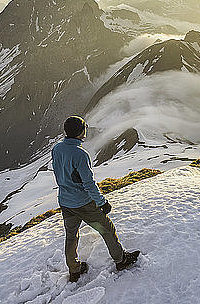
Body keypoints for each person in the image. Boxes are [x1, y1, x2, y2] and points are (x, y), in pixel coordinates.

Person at [51, 115, 140, 282]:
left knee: (71, 235)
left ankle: (74, 270)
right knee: (107, 229)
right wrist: (102, 202)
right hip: (83, 202)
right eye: (84, 127)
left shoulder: (57, 149)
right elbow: (88, 183)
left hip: (65, 201)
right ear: (80, 132)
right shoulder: (80, 154)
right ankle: (121, 260)